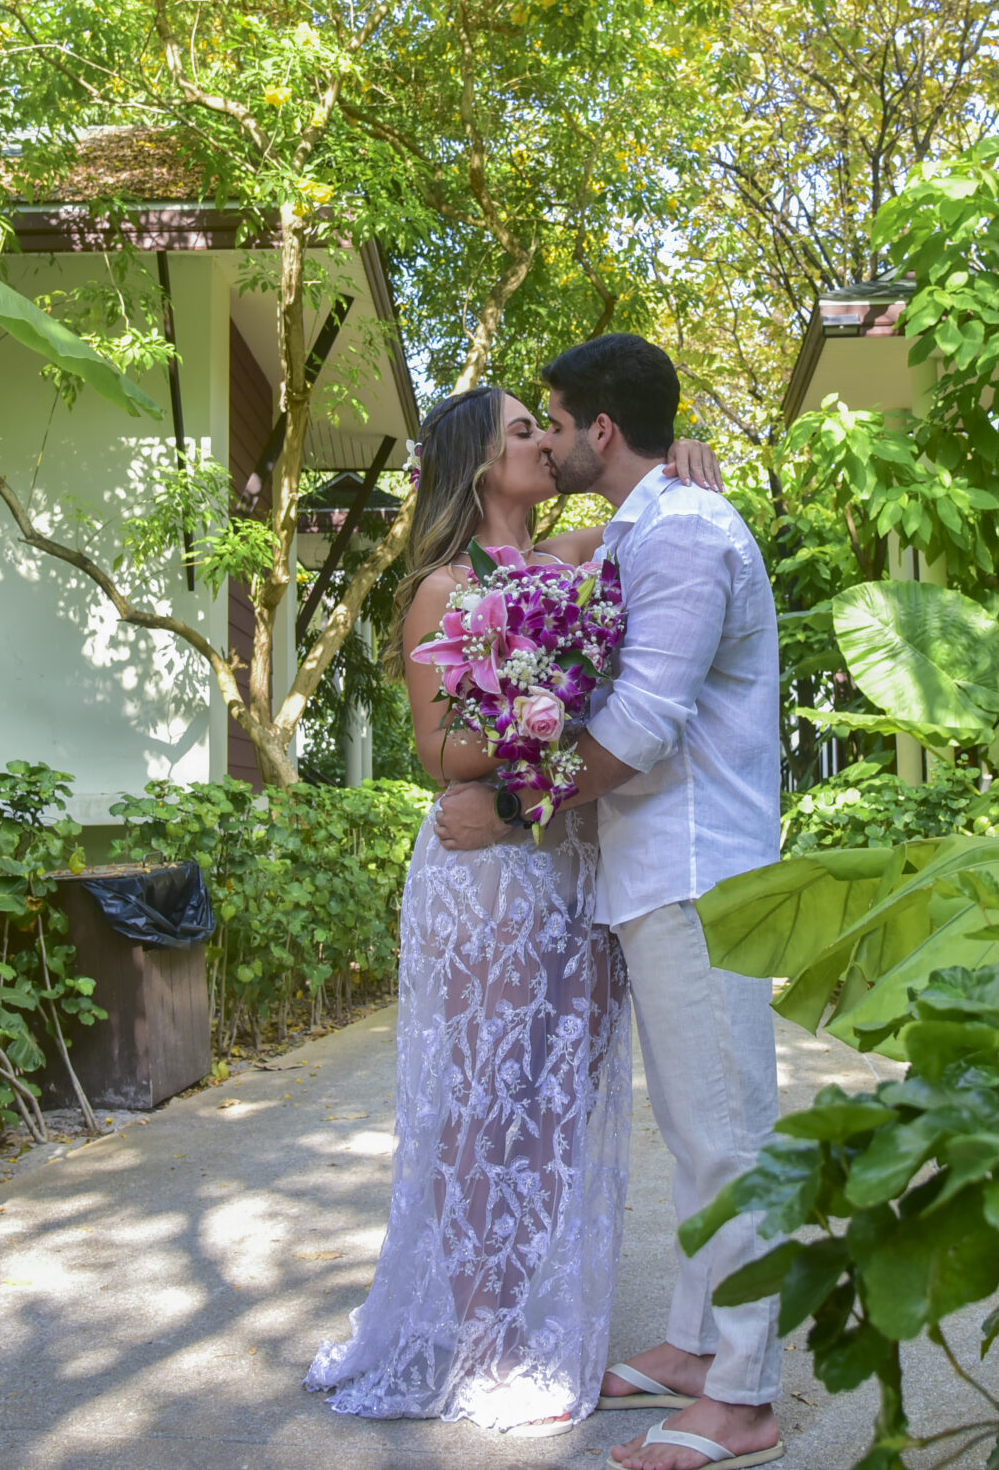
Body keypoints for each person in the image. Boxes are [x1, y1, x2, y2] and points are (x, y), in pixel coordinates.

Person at [305, 385, 725, 1438]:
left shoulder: (573, 558)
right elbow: (436, 748)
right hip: (487, 871)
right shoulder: (441, 588)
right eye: (524, 431)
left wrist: (682, 450)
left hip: (575, 863)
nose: (545, 440)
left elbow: (643, 509)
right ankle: (482, 1335)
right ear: (480, 464)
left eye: (546, 426)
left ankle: (524, 1308)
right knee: (479, 1101)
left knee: (556, 1103)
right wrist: (533, 725)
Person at [434, 334, 786, 1470]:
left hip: (697, 870)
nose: (545, 438)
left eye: (553, 419)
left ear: (600, 428)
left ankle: (745, 1395)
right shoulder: (645, 527)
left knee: (727, 1132)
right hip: (655, 870)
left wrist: (511, 807)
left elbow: (642, 724)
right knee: (695, 1126)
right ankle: (696, 1343)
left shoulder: (683, 532)